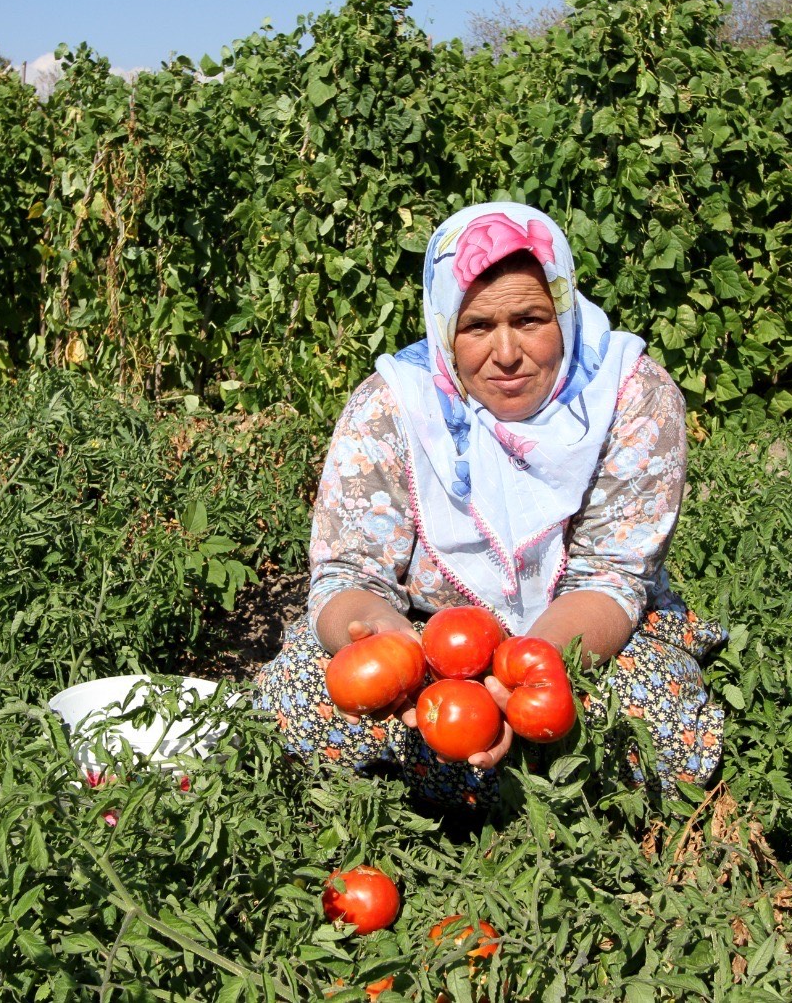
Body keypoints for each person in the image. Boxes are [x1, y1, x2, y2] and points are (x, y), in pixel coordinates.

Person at [253, 202, 724, 809]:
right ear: (444, 324)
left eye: (530, 319)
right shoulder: (396, 405)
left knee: (653, 720)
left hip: (580, 644)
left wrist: (526, 678)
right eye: (477, 327)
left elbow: (611, 576)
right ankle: (525, 790)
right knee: (297, 697)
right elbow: (349, 569)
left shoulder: (630, 396)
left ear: (563, 308)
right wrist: (393, 653)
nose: (506, 354)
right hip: (431, 648)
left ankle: (434, 786)